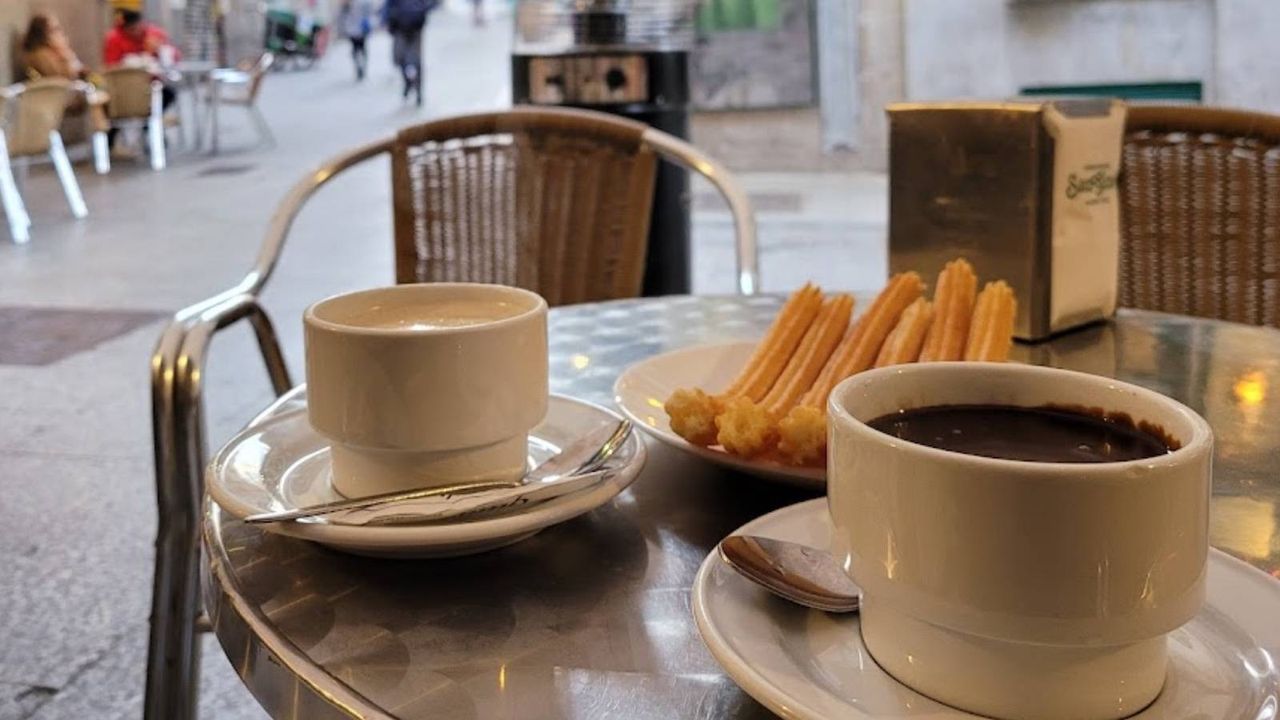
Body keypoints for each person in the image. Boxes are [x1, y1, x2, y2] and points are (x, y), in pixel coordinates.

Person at [383, 0, 436, 107]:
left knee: (411, 59)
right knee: (405, 58)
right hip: (405, 25)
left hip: (410, 26)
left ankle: (415, 87)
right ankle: (410, 84)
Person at [103, 9, 180, 68]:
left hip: (154, 80)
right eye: (131, 29)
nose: (136, 32)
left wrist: (160, 50)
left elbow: (175, 56)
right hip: (126, 79)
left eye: (138, 28)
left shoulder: (155, 33)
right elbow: (111, 65)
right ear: (123, 28)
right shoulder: (114, 39)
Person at [22, 13, 87, 81]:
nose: (60, 33)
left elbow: (81, 70)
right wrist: (66, 57)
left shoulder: (59, 50)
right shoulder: (40, 55)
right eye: (55, 29)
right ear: (44, 34)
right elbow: (63, 77)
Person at [337, 0, 375, 81]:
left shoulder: (355, 3)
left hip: (356, 30)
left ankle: (360, 66)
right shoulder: (348, 4)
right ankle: (360, 66)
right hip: (355, 30)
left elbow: (341, 17)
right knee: (359, 48)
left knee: (358, 48)